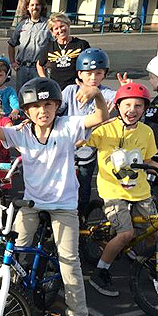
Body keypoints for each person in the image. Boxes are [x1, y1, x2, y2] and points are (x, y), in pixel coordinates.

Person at [0, 77, 109, 316]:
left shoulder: (67, 126)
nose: (43, 110)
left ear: (57, 106)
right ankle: (9, 300)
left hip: (64, 205)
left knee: (69, 262)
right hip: (32, 203)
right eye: (36, 106)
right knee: (15, 254)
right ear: (26, 111)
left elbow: (100, 116)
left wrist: (96, 93)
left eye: (48, 104)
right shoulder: (22, 131)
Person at [86, 82, 158, 297]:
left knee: (154, 230)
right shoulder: (104, 130)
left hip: (139, 190)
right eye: (127, 104)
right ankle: (100, 272)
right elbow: (80, 143)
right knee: (126, 233)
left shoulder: (146, 131)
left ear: (145, 109)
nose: (133, 110)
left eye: (139, 106)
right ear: (118, 106)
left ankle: (155, 268)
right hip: (113, 190)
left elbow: (149, 160)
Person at [58, 47, 119, 213]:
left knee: (84, 182)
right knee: (62, 180)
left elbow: (125, 102)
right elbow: (56, 109)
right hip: (68, 145)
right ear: (79, 74)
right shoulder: (71, 91)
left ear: (104, 74)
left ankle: (82, 215)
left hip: (89, 148)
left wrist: (127, 89)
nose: (93, 78)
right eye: (88, 73)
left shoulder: (107, 93)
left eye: (98, 73)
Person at [8, 0, 51, 92]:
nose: (34, 7)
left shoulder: (48, 25)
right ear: (27, 7)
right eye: (32, 5)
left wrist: (49, 63)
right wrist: (12, 62)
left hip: (39, 69)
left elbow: (54, 45)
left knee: (38, 95)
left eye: (37, 5)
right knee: (22, 96)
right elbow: (11, 44)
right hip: (22, 68)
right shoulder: (22, 25)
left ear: (41, 7)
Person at [37, 13, 90, 90]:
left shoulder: (81, 44)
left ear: (68, 25)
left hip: (77, 88)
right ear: (52, 32)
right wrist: (45, 79)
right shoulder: (49, 47)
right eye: (56, 28)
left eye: (62, 26)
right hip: (57, 89)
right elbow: (39, 64)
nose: (60, 30)